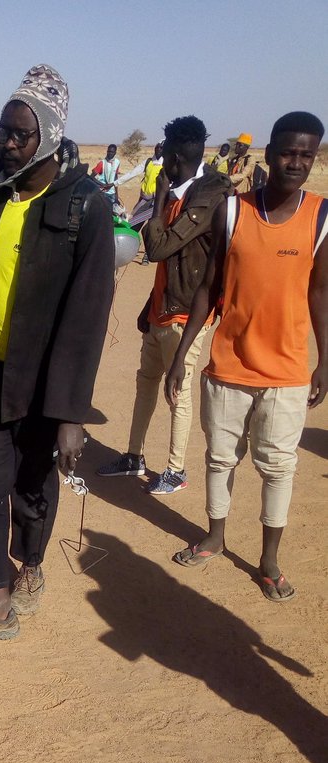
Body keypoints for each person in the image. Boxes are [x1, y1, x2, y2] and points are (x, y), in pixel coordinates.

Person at [0, 64, 114, 643]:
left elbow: (87, 319)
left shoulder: (85, 206)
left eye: (22, 134)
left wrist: (70, 415)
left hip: (44, 379)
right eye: (4, 130)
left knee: (32, 486)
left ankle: (31, 565)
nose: (8, 144)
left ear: (51, 135)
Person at [166, 111, 326, 601]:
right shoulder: (232, 211)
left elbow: (320, 294)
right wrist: (183, 353)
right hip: (229, 366)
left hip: (287, 373)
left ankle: (269, 559)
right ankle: (215, 536)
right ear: (269, 154)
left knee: (278, 468)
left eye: (306, 154)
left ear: (314, 158)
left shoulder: (321, 218)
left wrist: (324, 361)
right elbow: (208, 287)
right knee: (219, 459)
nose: (295, 162)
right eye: (287, 152)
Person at [97, 116, 232, 495]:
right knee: (146, 383)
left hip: (186, 315)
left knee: (178, 393)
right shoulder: (182, 193)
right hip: (161, 309)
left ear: (173, 159)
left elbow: (157, 248)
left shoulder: (208, 198)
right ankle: (133, 456)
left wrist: (158, 198)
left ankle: (176, 469)